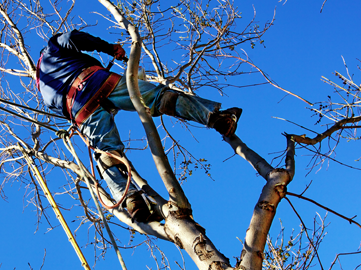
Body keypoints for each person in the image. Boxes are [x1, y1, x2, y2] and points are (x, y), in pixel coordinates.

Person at [36, 30, 242, 222]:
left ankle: (132, 202)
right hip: (97, 81)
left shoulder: (43, 88)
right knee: (160, 98)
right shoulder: (51, 47)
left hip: (80, 110)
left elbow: (65, 111)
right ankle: (216, 118)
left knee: (107, 154)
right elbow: (73, 37)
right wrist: (109, 48)